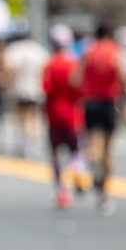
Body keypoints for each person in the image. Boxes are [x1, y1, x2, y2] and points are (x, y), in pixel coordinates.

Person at [70, 20, 126, 215]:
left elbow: (75, 79)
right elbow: (124, 75)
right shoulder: (115, 51)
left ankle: (84, 170)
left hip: (90, 102)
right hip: (108, 103)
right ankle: (104, 195)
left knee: (93, 145)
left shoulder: (88, 52)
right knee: (108, 151)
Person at [41, 24, 86, 209]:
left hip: (54, 116)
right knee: (76, 151)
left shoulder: (50, 65)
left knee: (56, 156)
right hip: (74, 116)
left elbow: (46, 89)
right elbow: (81, 90)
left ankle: (62, 191)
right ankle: (78, 173)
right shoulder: (74, 64)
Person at [4, 32, 50, 158]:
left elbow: (9, 69)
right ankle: (31, 144)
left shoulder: (14, 49)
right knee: (33, 116)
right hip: (35, 89)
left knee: (20, 116)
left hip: (19, 88)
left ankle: (22, 142)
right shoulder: (39, 50)